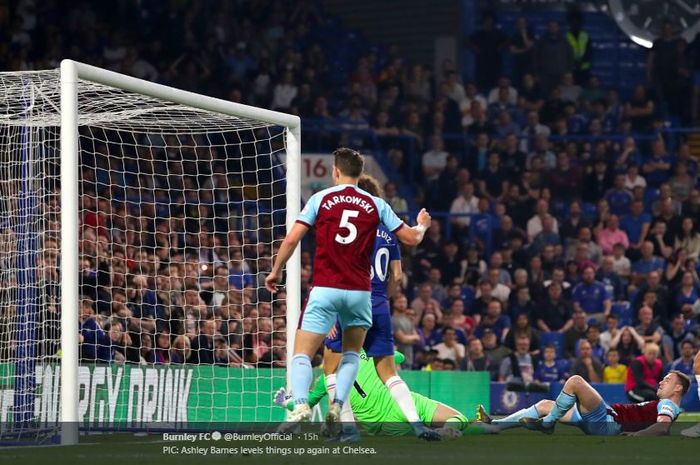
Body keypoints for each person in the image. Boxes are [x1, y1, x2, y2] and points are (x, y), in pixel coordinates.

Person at [265, 148, 431, 434]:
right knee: (352, 355)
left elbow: (292, 238)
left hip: (326, 288)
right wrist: (423, 226)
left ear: (335, 171)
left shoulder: (320, 198)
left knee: (302, 353)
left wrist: (276, 270)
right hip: (360, 294)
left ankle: (302, 403)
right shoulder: (377, 205)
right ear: (359, 171)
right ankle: (338, 404)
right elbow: (412, 239)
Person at [322, 174, 439, 441]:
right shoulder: (388, 231)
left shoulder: (346, 228)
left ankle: (349, 431)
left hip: (349, 302)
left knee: (331, 369)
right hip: (378, 304)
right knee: (388, 373)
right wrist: (382, 299)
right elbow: (397, 277)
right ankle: (417, 425)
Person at [273, 351, 468, 438]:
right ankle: (449, 429)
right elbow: (400, 357)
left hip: (384, 426)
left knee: (417, 436)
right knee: (459, 418)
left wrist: (286, 402)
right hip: (404, 402)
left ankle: (489, 427)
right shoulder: (369, 351)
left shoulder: (326, 379)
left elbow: (306, 405)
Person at [477, 370, 690, 436]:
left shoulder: (668, 405)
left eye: (668, 380)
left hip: (608, 422)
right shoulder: (663, 404)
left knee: (576, 381)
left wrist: (636, 435)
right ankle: (495, 425)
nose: (662, 381)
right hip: (604, 420)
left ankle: (548, 424)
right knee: (544, 405)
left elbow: (663, 427)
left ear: (678, 389)